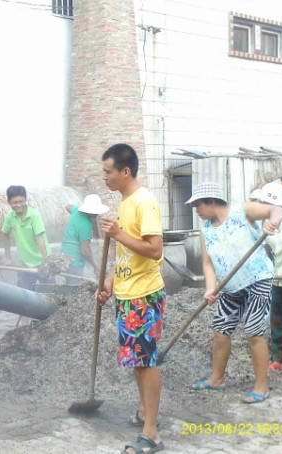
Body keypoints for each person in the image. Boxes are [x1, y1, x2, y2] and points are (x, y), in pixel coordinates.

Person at [94, 144, 166, 454]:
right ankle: (143, 413)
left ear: (125, 171)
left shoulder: (144, 202)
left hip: (144, 296)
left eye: (108, 172)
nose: (104, 178)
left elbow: (154, 249)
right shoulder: (125, 203)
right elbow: (128, 256)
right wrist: (110, 283)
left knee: (145, 362)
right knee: (137, 361)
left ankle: (152, 434)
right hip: (126, 294)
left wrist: (118, 234)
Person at [186, 182, 282, 404]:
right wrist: (211, 288)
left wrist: (272, 223)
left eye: (198, 205)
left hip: (258, 280)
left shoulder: (243, 211)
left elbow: (274, 210)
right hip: (229, 288)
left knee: (254, 332)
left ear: (211, 202)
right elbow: (208, 263)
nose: (196, 210)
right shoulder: (207, 229)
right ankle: (216, 379)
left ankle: (261, 386)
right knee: (220, 331)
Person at [255, 182, 282, 372]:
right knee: (278, 321)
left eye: (265, 203)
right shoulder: (267, 224)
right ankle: (280, 359)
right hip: (279, 279)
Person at [2, 185, 50, 290]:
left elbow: (40, 239)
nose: (19, 205)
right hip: (25, 265)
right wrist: (8, 257)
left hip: (42, 262)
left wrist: (46, 263)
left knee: (50, 293)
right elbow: (5, 234)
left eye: (21, 201)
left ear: (25, 200)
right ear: (9, 202)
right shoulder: (10, 217)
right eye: (15, 202)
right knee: (24, 294)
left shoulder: (34, 215)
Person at [61, 194, 109, 284]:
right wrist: (95, 266)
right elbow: (85, 250)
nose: (97, 214)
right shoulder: (86, 225)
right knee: (74, 289)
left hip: (64, 255)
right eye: (95, 211)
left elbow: (68, 207)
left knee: (66, 284)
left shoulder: (75, 211)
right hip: (74, 261)